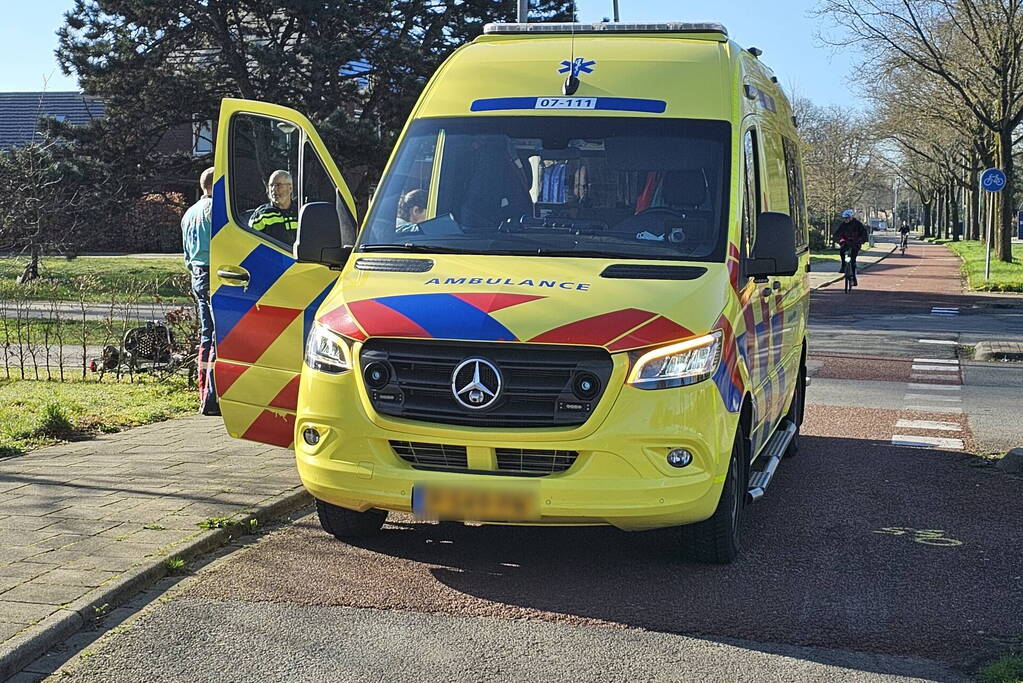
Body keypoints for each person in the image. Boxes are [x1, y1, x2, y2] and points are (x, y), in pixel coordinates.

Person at [180, 167, 220, 416]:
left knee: (207, 334)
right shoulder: (214, 210)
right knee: (217, 334)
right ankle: (212, 396)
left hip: (197, 272)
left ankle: (203, 391)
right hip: (213, 272)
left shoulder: (189, 213)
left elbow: (185, 252)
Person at [249, 170, 298, 244]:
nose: (273, 189)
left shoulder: (301, 213)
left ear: (290, 188)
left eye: (278, 185)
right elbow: (251, 244)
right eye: (271, 185)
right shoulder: (260, 216)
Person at [832, 209, 869, 285]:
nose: (845, 220)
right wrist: (840, 240)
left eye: (847, 218)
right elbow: (837, 234)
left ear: (851, 217)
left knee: (853, 261)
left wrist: (861, 240)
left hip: (855, 244)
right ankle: (843, 265)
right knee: (842, 251)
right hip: (846, 243)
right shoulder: (843, 225)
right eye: (844, 218)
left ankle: (854, 279)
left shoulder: (858, 224)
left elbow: (864, 234)